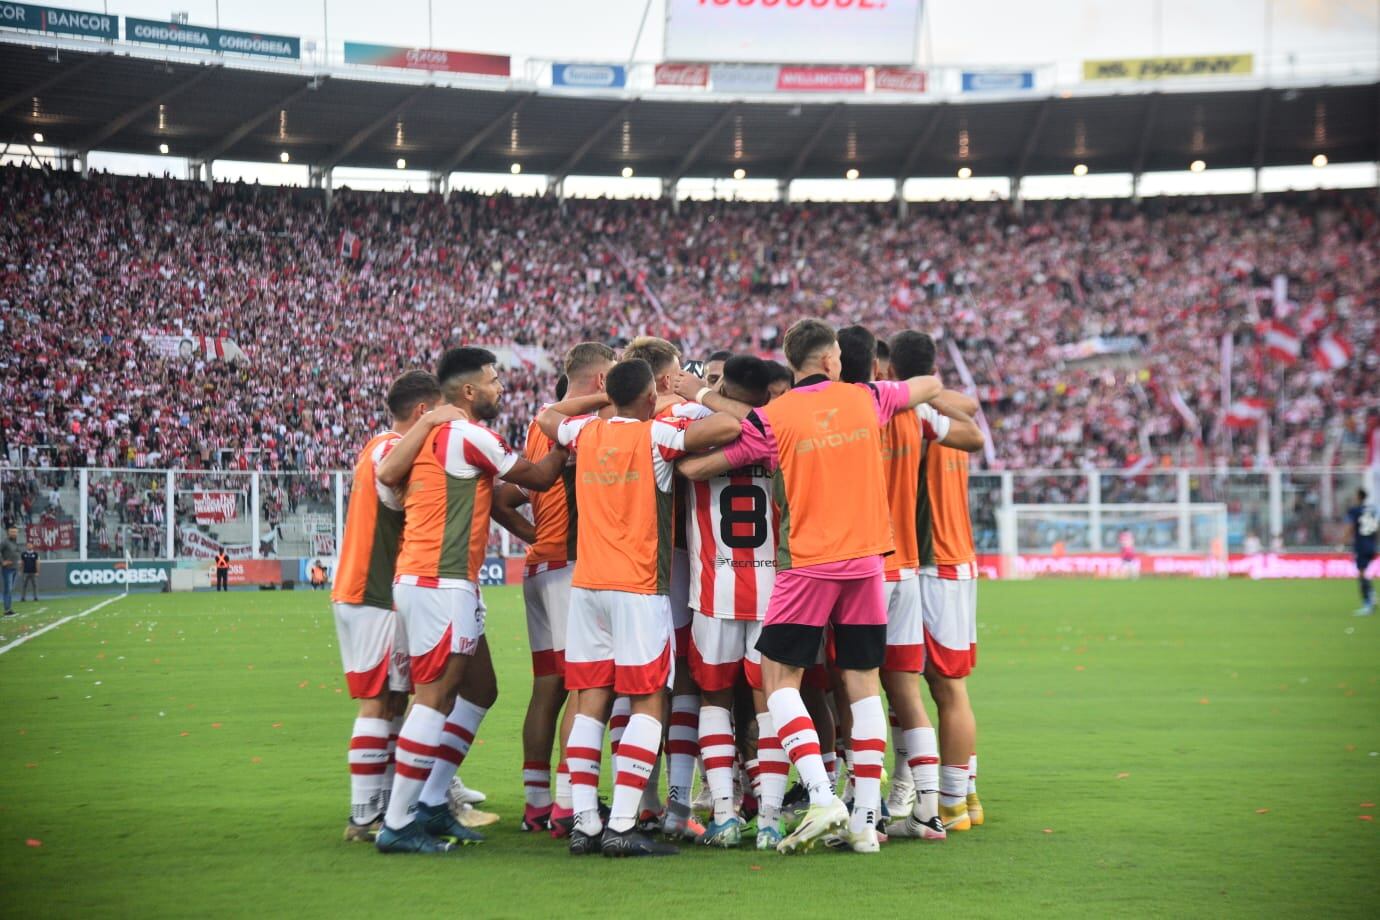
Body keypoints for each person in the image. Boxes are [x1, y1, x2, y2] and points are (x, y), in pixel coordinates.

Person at [679, 318, 943, 854]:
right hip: (869, 560)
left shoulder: (773, 419)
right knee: (862, 682)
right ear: (830, 361)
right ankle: (866, 823)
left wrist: (702, 395)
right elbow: (930, 387)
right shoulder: (868, 398)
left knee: (778, 679)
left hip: (806, 564)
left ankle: (822, 796)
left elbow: (711, 456)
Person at [534, 357, 742, 857]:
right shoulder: (656, 435)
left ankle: (585, 822)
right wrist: (692, 396)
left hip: (588, 587)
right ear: (650, 398)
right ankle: (623, 824)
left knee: (591, 701)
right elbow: (732, 424)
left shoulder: (585, 433)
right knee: (649, 700)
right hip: (639, 586)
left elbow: (547, 414)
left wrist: (601, 401)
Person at [371, 346, 571, 854]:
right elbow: (541, 477)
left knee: (480, 689)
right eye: (493, 380)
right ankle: (399, 821)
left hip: (437, 579)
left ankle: (434, 801)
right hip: (440, 581)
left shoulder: (426, 438)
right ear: (467, 391)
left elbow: (389, 480)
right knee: (434, 696)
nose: (499, 388)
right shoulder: (466, 434)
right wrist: (577, 433)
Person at [836, 326, 984, 842]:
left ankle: (903, 799)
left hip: (910, 564)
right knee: (920, 689)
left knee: (879, 687)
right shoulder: (930, 414)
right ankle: (952, 798)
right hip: (936, 563)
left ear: (888, 372)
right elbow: (973, 426)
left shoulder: (876, 412)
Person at [492, 342, 617, 834]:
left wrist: (533, 538)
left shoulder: (539, 431)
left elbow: (505, 500)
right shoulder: (583, 429)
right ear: (602, 381)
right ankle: (569, 805)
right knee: (586, 688)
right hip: (570, 568)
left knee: (549, 688)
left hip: (541, 568)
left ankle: (537, 804)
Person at [332, 370, 457, 843]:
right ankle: (363, 816)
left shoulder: (376, 446)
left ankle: (384, 803)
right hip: (374, 593)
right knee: (378, 702)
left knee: (395, 699)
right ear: (423, 412)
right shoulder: (389, 451)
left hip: (370, 592)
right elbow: (406, 496)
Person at [671, 355, 781, 848]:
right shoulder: (779, 429)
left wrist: (696, 393)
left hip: (714, 590)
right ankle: (772, 818)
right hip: (771, 592)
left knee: (713, 699)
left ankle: (723, 813)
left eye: (717, 383)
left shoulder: (699, 426)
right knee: (769, 701)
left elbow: (690, 468)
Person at [892, 330, 986, 833]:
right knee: (951, 688)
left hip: (930, 564)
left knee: (932, 688)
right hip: (960, 560)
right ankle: (966, 795)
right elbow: (968, 410)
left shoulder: (916, 415)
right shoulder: (953, 411)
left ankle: (947, 805)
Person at [621, 336, 702, 839]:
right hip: (672, 565)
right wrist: (696, 397)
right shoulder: (682, 417)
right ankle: (677, 804)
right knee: (685, 683)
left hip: (609, 568)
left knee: (623, 690)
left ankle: (637, 800)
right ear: (667, 378)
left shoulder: (601, 425)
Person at [1347, 488, 1377, 616]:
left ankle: (1368, 603)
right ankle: (1371, 595)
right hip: (1372, 544)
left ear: (1359, 497)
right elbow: (1376, 526)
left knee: (1361, 574)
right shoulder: (1372, 510)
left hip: (1361, 545)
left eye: (1355, 495)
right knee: (1363, 573)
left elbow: (1351, 527)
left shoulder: (1355, 510)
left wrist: (1342, 541)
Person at [1, 526, 19, 616]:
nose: (14, 533)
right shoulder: (4, 542)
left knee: (10, 589)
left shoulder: (15, 542)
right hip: (7, 569)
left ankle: (9, 608)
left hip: (15, 568)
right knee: (8, 589)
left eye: (15, 532)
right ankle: (7, 610)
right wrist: (2, 562)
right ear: (8, 532)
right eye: (12, 532)